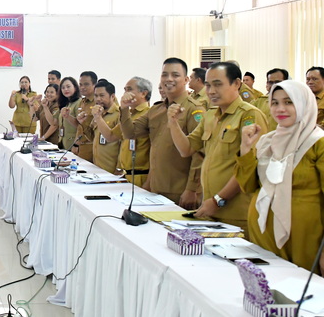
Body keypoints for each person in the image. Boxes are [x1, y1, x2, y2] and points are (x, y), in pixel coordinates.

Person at [168, 61, 268, 232]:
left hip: (236, 213)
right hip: (210, 210)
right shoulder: (210, 115)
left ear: (237, 84)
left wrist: (218, 200)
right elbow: (186, 149)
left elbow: (249, 168)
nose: (211, 91)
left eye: (217, 84)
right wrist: (173, 123)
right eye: (207, 85)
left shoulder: (249, 115)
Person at [235, 80, 324, 272]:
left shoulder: (318, 143)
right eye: (274, 103)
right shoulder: (267, 141)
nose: (280, 108)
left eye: (289, 102)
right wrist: (246, 148)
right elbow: (249, 186)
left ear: (303, 104)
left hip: (304, 240)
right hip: (263, 237)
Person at [119, 58, 204, 207]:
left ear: (185, 80)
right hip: (156, 188)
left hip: (180, 190)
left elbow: (200, 153)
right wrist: (125, 109)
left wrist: (192, 189)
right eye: (164, 75)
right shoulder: (156, 110)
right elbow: (129, 134)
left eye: (175, 75)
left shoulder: (194, 110)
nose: (169, 79)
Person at [95, 77, 152, 186]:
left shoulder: (148, 113)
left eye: (129, 89)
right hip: (126, 175)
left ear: (143, 93)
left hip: (142, 175)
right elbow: (111, 136)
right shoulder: (129, 114)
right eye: (125, 90)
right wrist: (98, 117)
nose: (125, 93)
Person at [78, 79, 120, 174]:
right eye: (96, 96)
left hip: (112, 170)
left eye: (102, 96)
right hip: (97, 167)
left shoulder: (119, 114)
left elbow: (122, 144)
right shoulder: (98, 113)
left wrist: (119, 169)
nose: (98, 99)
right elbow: (92, 137)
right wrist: (83, 123)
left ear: (112, 96)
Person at [63, 71, 98, 161]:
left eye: (86, 84)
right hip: (80, 145)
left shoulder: (98, 102)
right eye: (80, 84)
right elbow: (79, 125)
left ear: (95, 85)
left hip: (91, 146)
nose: (82, 87)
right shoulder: (82, 102)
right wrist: (68, 116)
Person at [252, 68, 289, 133]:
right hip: (263, 140)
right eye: (271, 82)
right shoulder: (259, 101)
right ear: (267, 84)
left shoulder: (291, 103)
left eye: (277, 82)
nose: (274, 85)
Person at [57, 76, 80, 149]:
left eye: (68, 86)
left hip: (73, 143)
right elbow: (54, 122)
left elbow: (80, 126)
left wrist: (76, 144)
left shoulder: (79, 102)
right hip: (63, 141)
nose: (65, 89)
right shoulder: (66, 103)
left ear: (75, 88)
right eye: (63, 88)